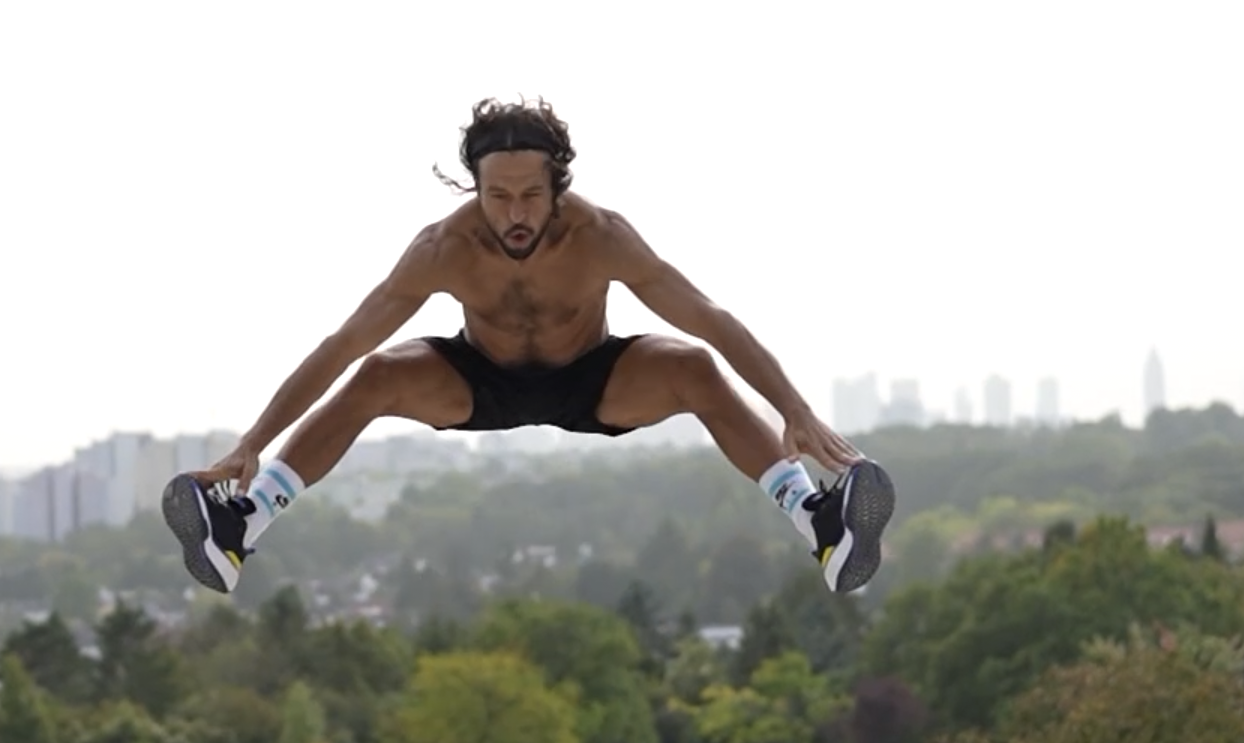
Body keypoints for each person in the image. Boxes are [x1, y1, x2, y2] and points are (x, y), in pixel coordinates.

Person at [162, 96, 895, 598]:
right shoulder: (444, 248)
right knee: (376, 371)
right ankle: (239, 528)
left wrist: (793, 408)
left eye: (530, 196)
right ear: (475, 187)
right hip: (481, 380)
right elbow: (340, 343)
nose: (514, 215)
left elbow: (706, 313)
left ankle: (822, 527)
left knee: (694, 365)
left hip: (592, 378)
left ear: (557, 185)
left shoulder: (601, 235)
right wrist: (253, 441)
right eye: (497, 196)